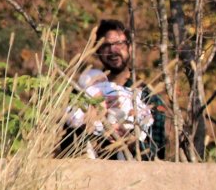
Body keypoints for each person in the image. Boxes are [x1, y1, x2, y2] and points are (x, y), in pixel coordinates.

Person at [60, 19, 168, 160]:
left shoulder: (149, 97)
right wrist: (86, 127)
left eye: (119, 43)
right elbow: (67, 147)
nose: (113, 50)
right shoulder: (83, 93)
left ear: (130, 47)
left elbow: (158, 156)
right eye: (106, 45)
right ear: (97, 50)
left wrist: (128, 141)